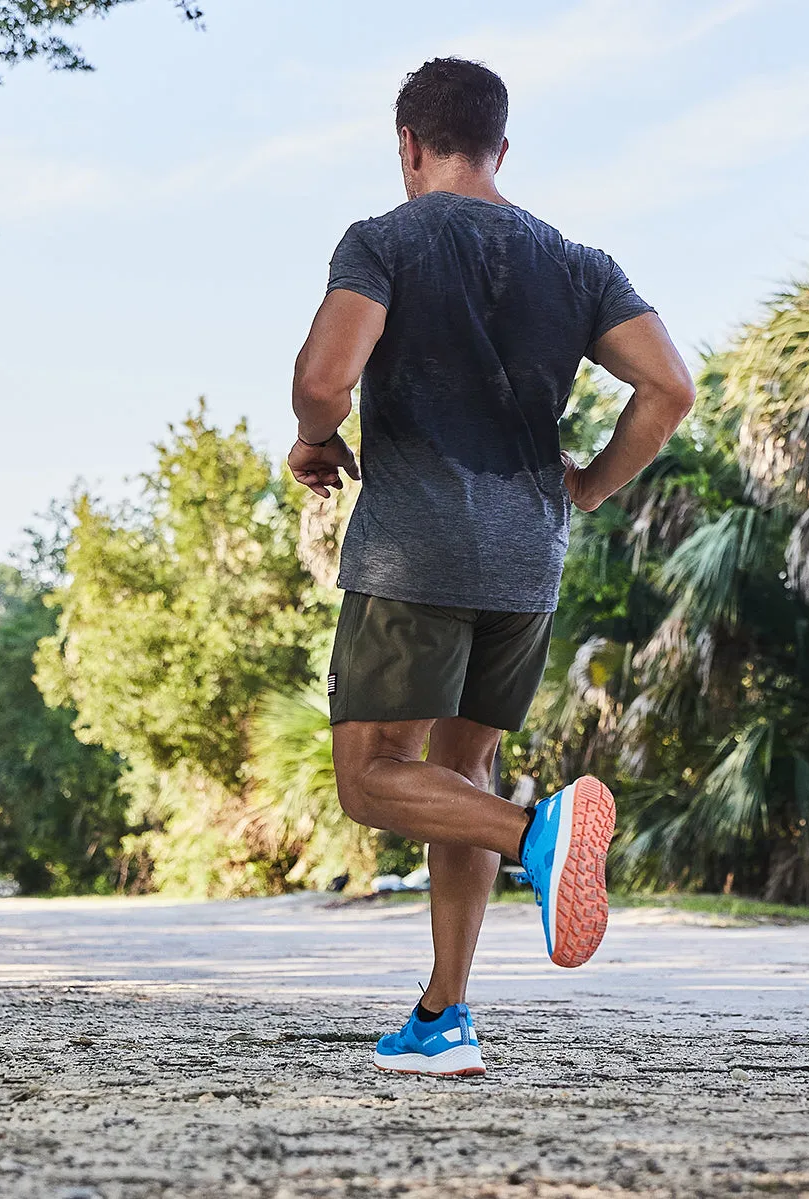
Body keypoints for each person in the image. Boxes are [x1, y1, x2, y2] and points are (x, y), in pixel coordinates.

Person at [288, 57, 694, 1077]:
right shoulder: (577, 261)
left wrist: (312, 437)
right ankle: (445, 1015)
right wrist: (590, 486)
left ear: (409, 148)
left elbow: (325, 375)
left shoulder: (383, 239)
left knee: (375, 777)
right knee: (454, 774)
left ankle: (538, 833)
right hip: (527, 560)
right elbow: (669, 389)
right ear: (501, 148)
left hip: (415, 552)